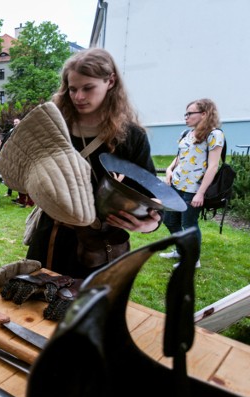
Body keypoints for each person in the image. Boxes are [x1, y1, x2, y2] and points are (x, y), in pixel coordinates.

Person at [25, 48, 161, 279]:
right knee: (37, 308)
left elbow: (150, 189)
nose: (78, 97)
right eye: (72, 89)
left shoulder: (131, 136)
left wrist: (150, 223)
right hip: (54, 237)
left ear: (110, 81)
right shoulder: (55, 126)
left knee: (90, 310)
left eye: (88, 88)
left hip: (103, 245)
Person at [159, 99, 224, 268]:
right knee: (169, 220)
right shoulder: (186, 133)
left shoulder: (214, 135)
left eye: (190, 113)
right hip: (176, 184)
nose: (186, 117)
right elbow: (180, 156)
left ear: (204, 114)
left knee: (188, 224)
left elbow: (213, 166)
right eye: (185, 114)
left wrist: (200, 193)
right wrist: (169, 169)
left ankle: (193, 259)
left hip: (193, 189)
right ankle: (181, 251)